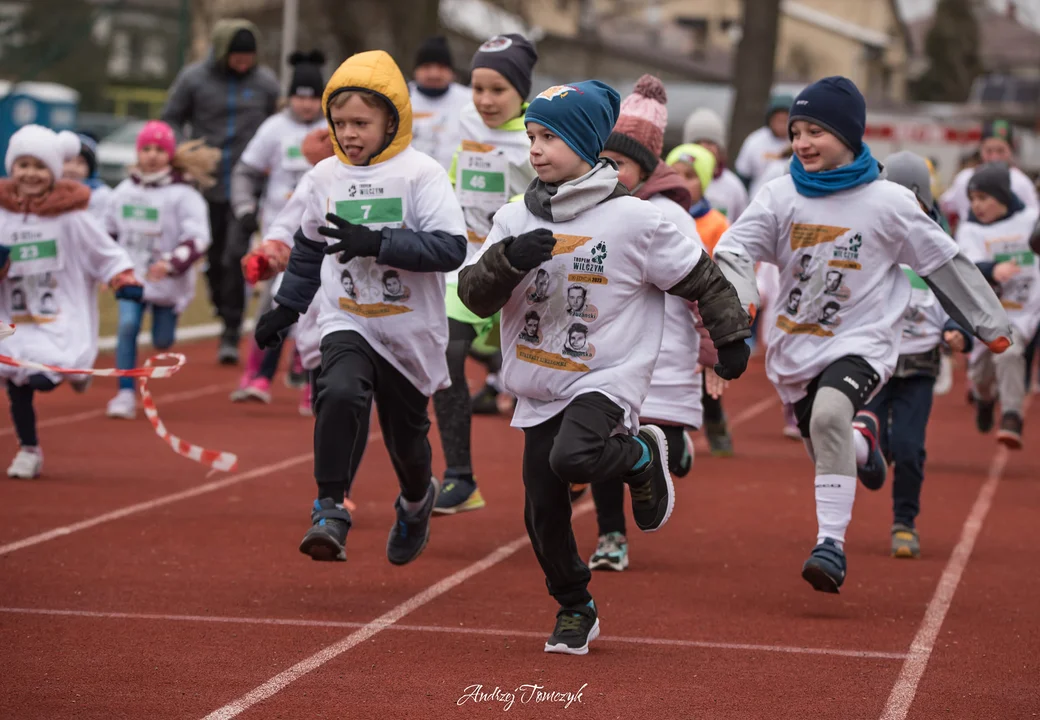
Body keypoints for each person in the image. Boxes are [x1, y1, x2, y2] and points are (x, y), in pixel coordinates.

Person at [457, 79, 751, 654]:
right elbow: (472, 295)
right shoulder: (515, 217)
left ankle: (641, 454)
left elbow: (703, 276)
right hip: (539, 380)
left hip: (606, 374)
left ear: (590, 144)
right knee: (541, 510)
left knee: (575, 456)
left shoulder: (635, 220)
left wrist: (729, 334)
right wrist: (504, 262)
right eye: (532, 136)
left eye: (552, 138)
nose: (536, 149)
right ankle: (575, 606)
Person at [712, 76, 1011, 595]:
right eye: (797, 131)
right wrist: (738, 308)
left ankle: (830, 546)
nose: (801, 142)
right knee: (825, 440)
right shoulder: (780, 196)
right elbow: (733, 251)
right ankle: (862, 448)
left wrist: (989, 325)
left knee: (829, 415)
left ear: (848, 135)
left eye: (815, 132)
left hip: (863, 341)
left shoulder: (889, 202)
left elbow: (944, 262)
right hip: (795, 347)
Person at [251, 50, 467, 565]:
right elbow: (307, 247)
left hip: (409, 330)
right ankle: (329, 507)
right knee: (339, 390)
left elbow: (450, 248)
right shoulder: (324, 176)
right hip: (347, 316)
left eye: (361, 123)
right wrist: (287, 308)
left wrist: (378, 242)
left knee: (407, 444)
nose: (348, 133)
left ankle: (417, 500)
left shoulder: (421, 174)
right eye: (339, 122)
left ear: (392, 120)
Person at [592, 74, 717, 572]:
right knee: (601, 441)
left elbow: (703, 286)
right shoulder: (589, 209)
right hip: (604, 353)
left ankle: (675, 446)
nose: (607, 171)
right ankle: (610, 535)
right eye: (601, 161)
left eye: (618, 164)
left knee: (650, 441)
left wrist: (713, 350)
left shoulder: (670, 218)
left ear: (644, 168)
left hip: (662, 356)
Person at [431, 33, 539, 515]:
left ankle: (578, 470)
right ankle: (458, 477)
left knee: (544, 381)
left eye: (498, 89)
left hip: (529, 270)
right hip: (469, 265)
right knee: (446, 353)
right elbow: (454, 184)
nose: (486, 100)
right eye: (477, 88)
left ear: (521, 89)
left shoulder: (538, 133)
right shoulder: (464, 126)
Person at [0, 125, 142, 478]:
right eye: (23, 165)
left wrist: (123, 278)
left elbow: (105, 252)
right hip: (13, 317)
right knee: (18, 381)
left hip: (59, 315)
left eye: (39, 166)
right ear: (11, 168)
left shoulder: (71, 216)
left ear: (53, 172)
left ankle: (76, 371)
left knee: (43, 377)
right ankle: (29, 449)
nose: (30, 174)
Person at [860, 151, 974, 559]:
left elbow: (959, 301)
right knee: (869, 439)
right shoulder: (870, 242)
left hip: (919, 365)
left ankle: (904, 522)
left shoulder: (939, 248)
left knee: (908, 449)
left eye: (912, 202)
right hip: (874, 364)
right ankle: (873, 454)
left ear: (925, 201)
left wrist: (957, 332)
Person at [161, 18, 280, 365]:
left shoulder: (266, 83)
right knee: (212, 259)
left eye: (249, 57)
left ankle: (230, 331)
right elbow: (170, 117)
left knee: (234, 256)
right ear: (222, 52)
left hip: (247, 184)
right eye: (237, 57)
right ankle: (221, 303)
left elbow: (278, 121)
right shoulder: (193, 79)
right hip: (205, 182)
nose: (244, 63)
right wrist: (186, 150)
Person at [229, 50, 327, 405]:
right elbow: (246, 172)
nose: (306, 104)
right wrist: (244, 209)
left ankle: (309, 384)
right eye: (300, 96)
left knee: (315, 310)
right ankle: (257, 375)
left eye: (313, 97)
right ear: (289, 97)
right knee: (272, 304)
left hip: (321, 235)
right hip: (279, 235)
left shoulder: (334, 128)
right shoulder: (273, 128)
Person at [103, 121, 217, 419]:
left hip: (167, 281)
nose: (152, 156)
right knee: (127, 326)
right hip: (131, 275)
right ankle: (124, 393)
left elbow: (198, 238)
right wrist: (107, 269)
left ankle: (168, 319)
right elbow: (107, 233)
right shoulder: (123, 191)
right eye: (146, 149)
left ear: (169, 154)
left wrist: (170, 263)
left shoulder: (183, 195)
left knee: (162, 341)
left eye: (158, 150)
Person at [957, 162, 1040, 449]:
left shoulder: (1031, 219)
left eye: (983, 198)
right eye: (972, 200)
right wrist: (994, 270)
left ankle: (1011, 416)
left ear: (1002, 196)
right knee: (980, 375)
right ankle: (984, 399)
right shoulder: (970, 230)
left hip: (1022, 313)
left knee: (1009, 353)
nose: (976, 206)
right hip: (986, 315)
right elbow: (965, 266)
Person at [665, 142, 734, 456]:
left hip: (701, 313)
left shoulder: (717, 224)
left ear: (704, 182)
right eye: (675, 173)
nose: (681, 181)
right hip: (667, 312)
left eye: (690, 176)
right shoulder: (659, 215)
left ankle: (715, 419)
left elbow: (728, 270)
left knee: (706, 370)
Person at [939, 120, 1038, 234]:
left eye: (1001, 151)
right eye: (989, 151)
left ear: (1011, 150)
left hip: (1008, 245)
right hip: (970, 242)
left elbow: (1033, 219)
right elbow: (944, 207)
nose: (994, 157)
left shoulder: (1021, 182)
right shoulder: (964, 179)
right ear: (980, 149)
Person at [408, 36, 472, 171]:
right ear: (416, 70)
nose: (434, 74)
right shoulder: (402, 98)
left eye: (441, 67)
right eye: (427, 67)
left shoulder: (470, 100)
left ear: (451, 71)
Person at [682, 108, 748, 221]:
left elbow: (742, 223)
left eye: (710, 142)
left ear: (720, 148)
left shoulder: (733, 186)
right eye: (698, 142)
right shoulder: (680, 181)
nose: (704, 147)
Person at [732, 94, 792, 190]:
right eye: (778, 120)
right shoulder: (755, 141)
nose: (782, 125)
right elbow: (743, 175)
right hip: (758, 195)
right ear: (770, 120)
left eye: (785, 120)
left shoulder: (798, 141)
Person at [62, 133, 112, 221]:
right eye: (67, 160)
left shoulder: (102, 195)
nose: (72, 168)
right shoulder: (47, 192)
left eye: (80, 162)